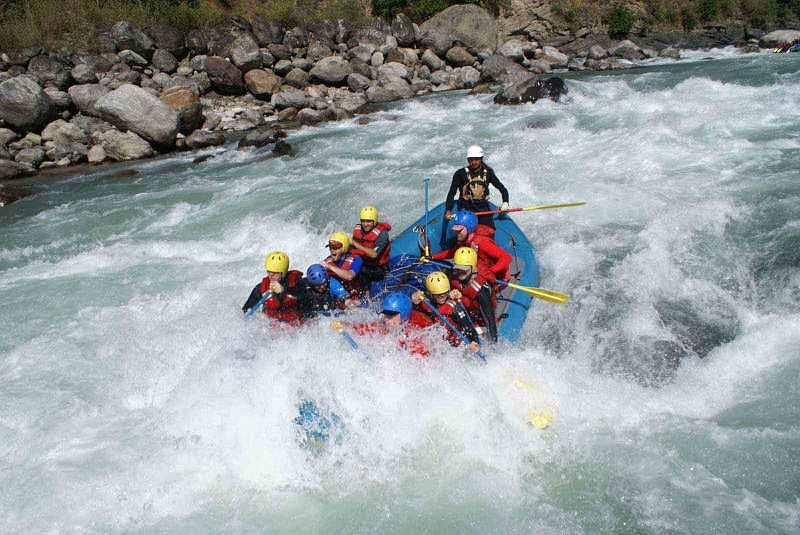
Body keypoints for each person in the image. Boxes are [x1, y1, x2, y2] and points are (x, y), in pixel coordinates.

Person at [333, 292, 434, 358]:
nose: (387, 320)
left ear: (404, 315)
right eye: (386, 314)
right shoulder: (384, 326)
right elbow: (363, 328)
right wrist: (343, 324)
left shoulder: (413, 334)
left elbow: (421, 363)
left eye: (392, 315)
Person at [432, 210, 512, 283]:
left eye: (460, 231)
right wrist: (433, 257)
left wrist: (491, 271)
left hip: (499, 276)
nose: (457, 233)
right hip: (481, 270)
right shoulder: (464, 242)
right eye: (456, 231)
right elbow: (452, 252)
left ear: (469, 228)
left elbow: (506, 257)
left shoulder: (483, 243)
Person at [444, 145, 510, 233]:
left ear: (481, 158)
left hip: (483, 208)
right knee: (464, 233)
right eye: (471, 159)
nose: (473, 162)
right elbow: (451, 193)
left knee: (489, 232)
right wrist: (448, 210)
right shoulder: (460, 174)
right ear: (468, 160)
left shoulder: (488, 172)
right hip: (466, 209)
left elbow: (503, 189)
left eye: (476, 159)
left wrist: (505, 203)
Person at [410, 271, 481, 350]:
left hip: (455, 344)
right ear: (430, 293)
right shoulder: (425, 302)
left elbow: (468, 326)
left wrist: (474, 341)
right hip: (438, 343)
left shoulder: (454, 307)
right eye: (437, 294)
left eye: (444, 293)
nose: (441, 296)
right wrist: (414, 301)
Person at [447, 247, 498, 342]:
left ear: (473, 268)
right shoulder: (454, 277)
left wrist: (494, 345)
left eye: (464, 270)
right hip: (464, 313)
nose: (460, 272)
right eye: (457, 269)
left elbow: (490, 319)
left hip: (479, 318)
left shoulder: (480, 290)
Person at [242, 251, 305, 325]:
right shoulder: (260, 288)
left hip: (294, 326)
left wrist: (283, 290)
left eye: (275, 272)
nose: (270, 275)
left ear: (283, 272)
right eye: (269, 271)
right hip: (272, 327)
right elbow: (245, 311)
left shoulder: (296, 282)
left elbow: (303, 295)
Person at [349, 205, 391, 298]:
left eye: (368, 221)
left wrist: (356, 244)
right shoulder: (358, 230)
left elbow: (373, 254)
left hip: (378, 268)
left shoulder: (382, 233)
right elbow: (352, 248)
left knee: (376, 290)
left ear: (374, 221)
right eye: (363, 221)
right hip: (364, 266)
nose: (365, 224)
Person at [320, 232, 362, 299]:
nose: (332, 251)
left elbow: (349, 276)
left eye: (336, 248)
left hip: (354, 298)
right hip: (336, 298)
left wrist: (329, 267)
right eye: (330, 247)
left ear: (344, 248)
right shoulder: (327, 261)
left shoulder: (356, 260)